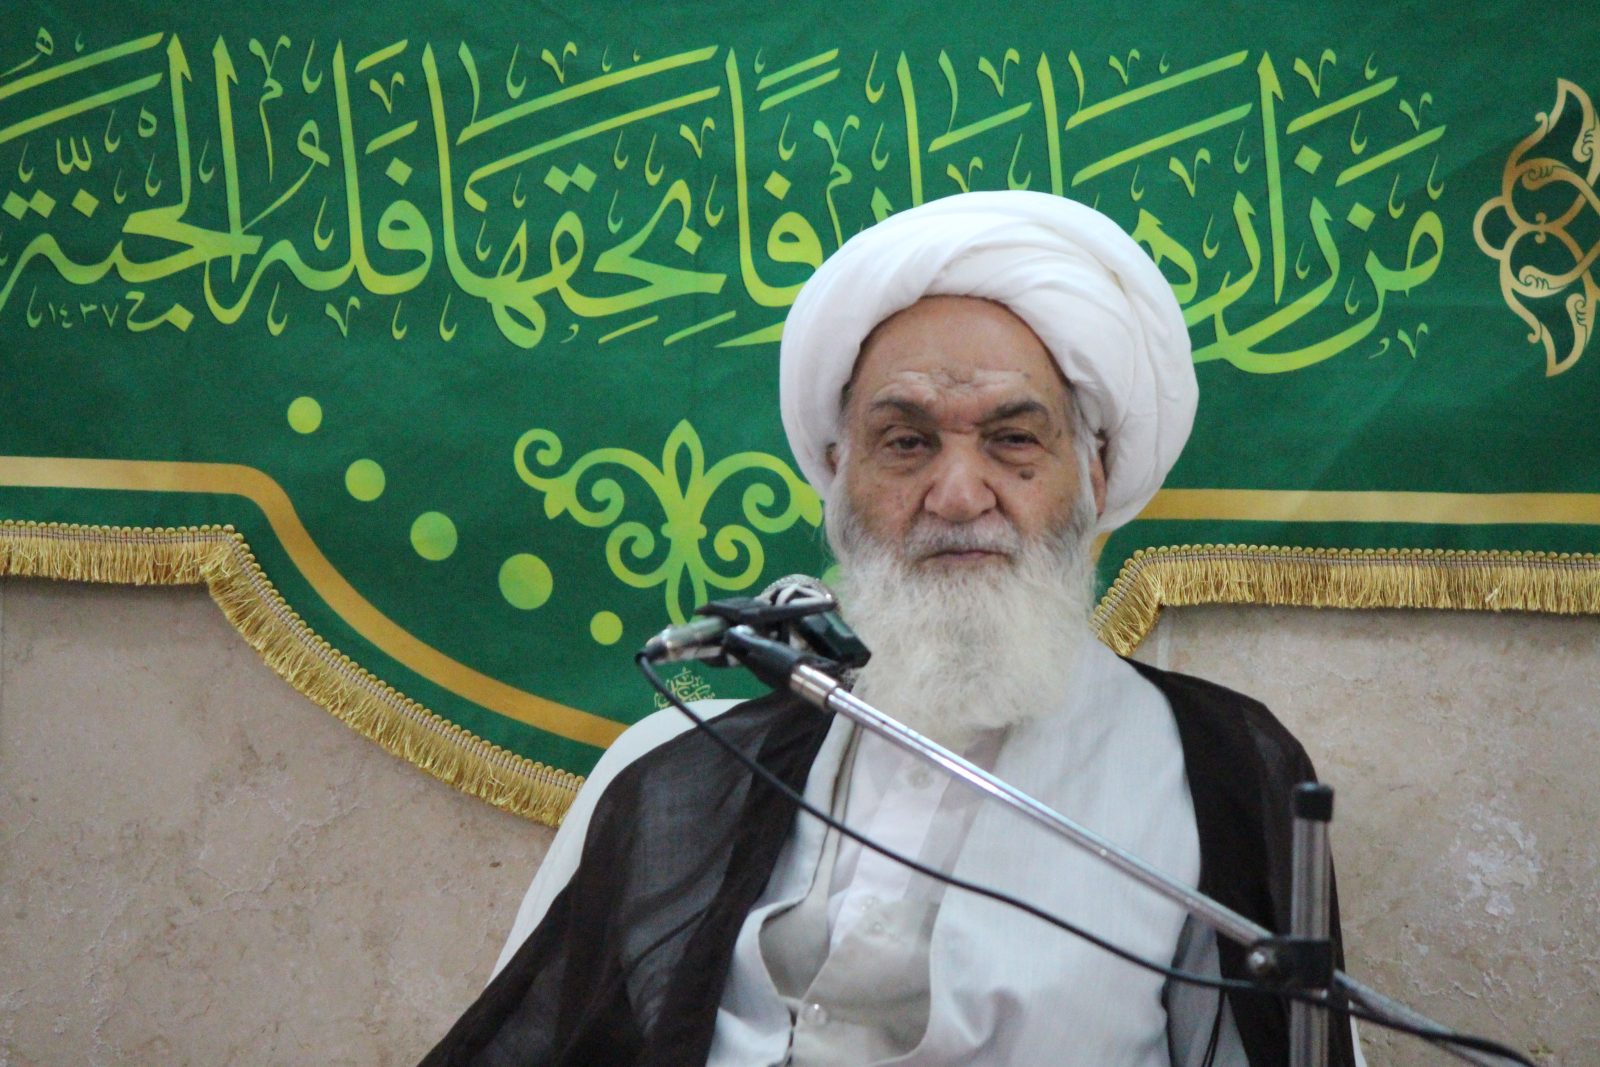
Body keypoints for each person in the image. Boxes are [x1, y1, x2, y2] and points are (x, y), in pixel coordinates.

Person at [420, 191, 1363, 1067]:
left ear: (1094, 473)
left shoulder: (1211, 773)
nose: (956, 493)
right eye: (906, 442)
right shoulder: (674, 771)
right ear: (838, 476)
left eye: (1013, 439)